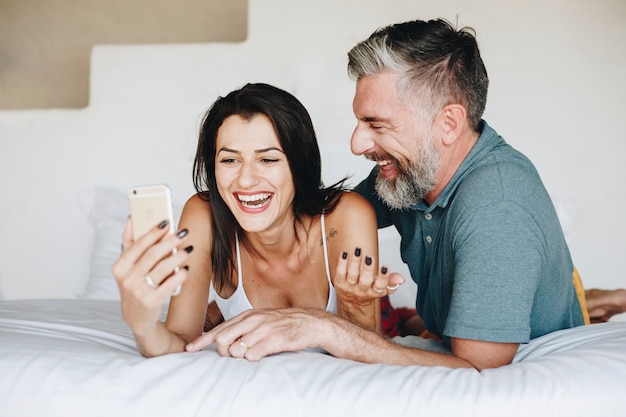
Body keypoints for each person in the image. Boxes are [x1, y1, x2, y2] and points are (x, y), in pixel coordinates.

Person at [186, 18, 588, 370]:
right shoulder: (411, 174)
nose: (357, 143)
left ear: (448, 124)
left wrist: (320, 325)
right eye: (360, 121)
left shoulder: (498, 206)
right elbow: (315, 213)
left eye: (377, 124)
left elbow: (478, 371)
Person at [112, 83, 397, 357]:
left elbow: (367, 350)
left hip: (384, 314)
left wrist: (356, 305)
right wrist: (143, 325)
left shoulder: (346, 215)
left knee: (405, 323)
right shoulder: (204, 215)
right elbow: (179, 344)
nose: (246, 180)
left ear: (299, 166)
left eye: (268, 160)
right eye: (229, 160)